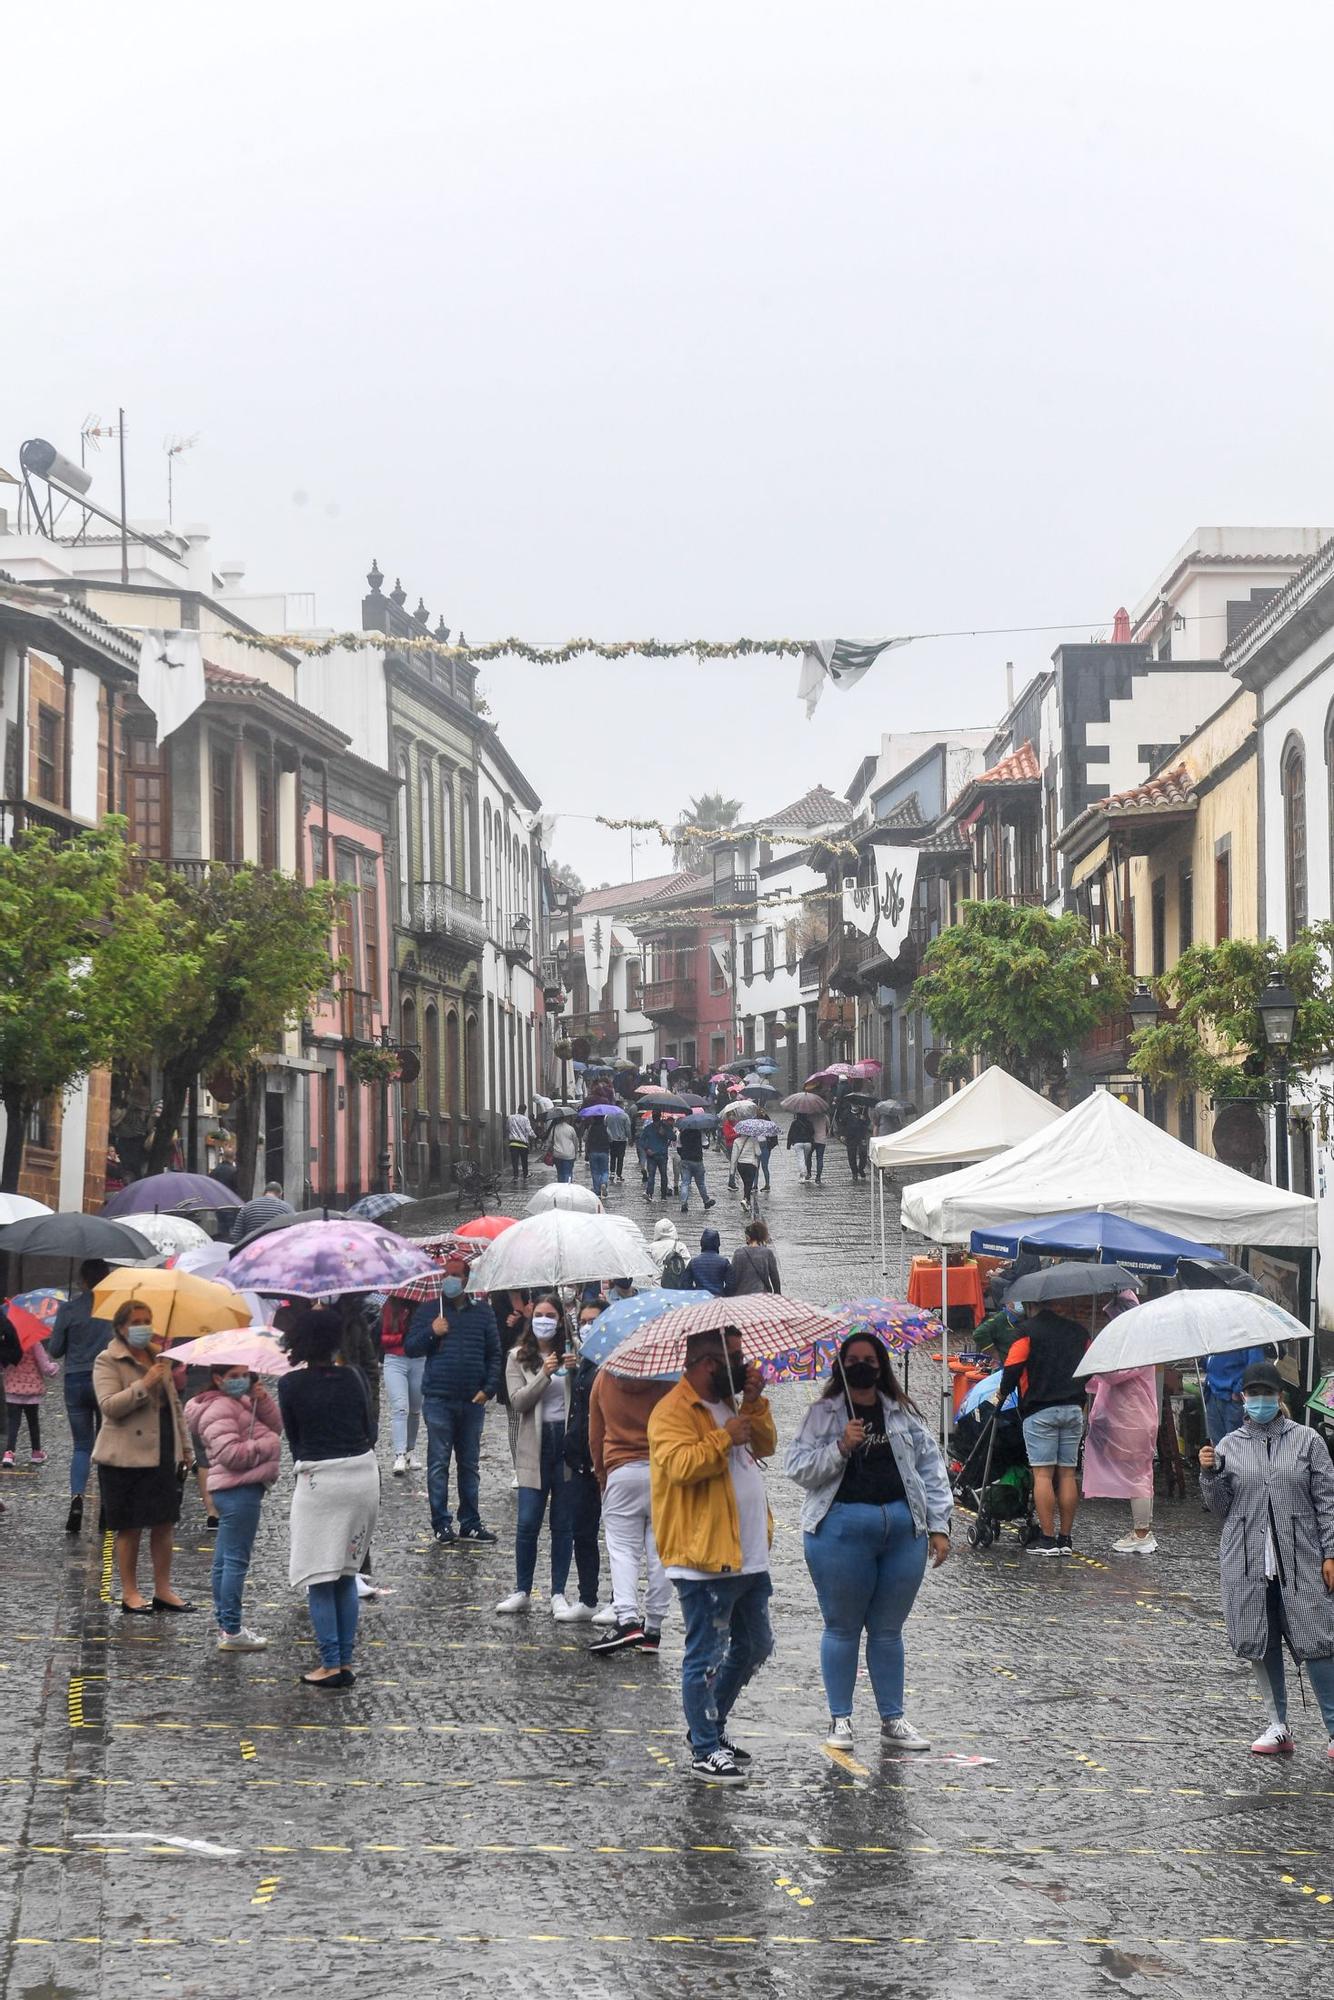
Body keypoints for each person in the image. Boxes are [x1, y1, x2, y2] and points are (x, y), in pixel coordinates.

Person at [786, 1332, 951, 1750]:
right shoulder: (823, 1413)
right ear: (841, 1365)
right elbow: (798, 1468)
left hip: (902, 1532)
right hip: (839, 1531)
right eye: (854, 1359)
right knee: (842, 1628)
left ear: (882, 1365)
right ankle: (840, 1719)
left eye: (870, 1359)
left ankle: (892, 1719)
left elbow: (931, 1467)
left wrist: (939, 1525)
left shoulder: (902, 1411)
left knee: (888, 1631)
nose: (863, 1366)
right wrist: (840, 1447)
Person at [649, 1325, 778, 1784]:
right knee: (704, 1654)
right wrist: (724, 1436)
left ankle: (709, 1726)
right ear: (708, 1365)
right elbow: (680, 1466)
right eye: (737, 1358)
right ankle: (704, 1749)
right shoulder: (672, 1411)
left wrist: (754, 1403)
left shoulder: (728, 1403)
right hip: (704, 1558)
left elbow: (765, 1445)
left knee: (756, 1645)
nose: (745, 1365)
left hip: (747, 1553)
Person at [1200, 1360, 1334, 1757]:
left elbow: (1327, 1501)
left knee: (1319, 1639)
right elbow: (1219, 1508)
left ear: (1280, 1396)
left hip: (1302, 1557)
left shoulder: (1308, 1441)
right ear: (1243, 1397)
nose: (1260, 1400)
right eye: (1253, 1393)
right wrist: (1210, 1474)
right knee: (1260, 1639)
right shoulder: (1227, 1445)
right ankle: (1277, 1725)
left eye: (1267, 1393)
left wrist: (1331, 1552)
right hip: (1247, 1560)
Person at [278, 1307, 380, 1688]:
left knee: (319, 1575)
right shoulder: (353, 1377)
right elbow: (369, 1429)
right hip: (362, 1477)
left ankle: (330, 1663)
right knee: (346, 1573)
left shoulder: (290, 1385)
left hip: (321, 1481)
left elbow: (296, 1440)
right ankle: (346, 1661)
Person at [92, 1301, 195, 1616]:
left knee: (164, 1523)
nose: (143, 1326)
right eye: (137, 1321)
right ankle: (130, 1592)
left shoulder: (158, 1356)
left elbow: (175, 1406)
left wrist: (186, 1447)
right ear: (122, 1327)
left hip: (161, 1450)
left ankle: (163, 1590)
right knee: (130, 1526)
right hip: (124, 1457)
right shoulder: (107, 1360)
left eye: (148, 1320)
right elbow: (109, 1406)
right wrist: (145, 1383)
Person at [404, 1253, 501, 1545]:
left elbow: (494, 1353)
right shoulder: (430, 1311)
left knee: (469, 1464)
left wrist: (489, 1389)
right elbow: (411, 1348)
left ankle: (470, 1522)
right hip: (438, 1399)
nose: (451, 1279)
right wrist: (432, 1332)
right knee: (438, 1463)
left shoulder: (483, 1313)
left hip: (473, 1400)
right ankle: (441, 1522)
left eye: (456, 1274)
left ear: (467, 1279)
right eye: (446, 1274)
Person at [185, 1361, 283, 1650]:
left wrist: (261, 1399)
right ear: (218, 1378)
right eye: (234, 1376)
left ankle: (226, 1624)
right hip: (238, 1489)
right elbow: (231, 1454)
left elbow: (276, 1424)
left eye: (245, 1375)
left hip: (234, 1488)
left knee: (223, 1561)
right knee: (235, 1562)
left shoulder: (237, 1401)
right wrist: (269, 1445)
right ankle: (231, 1628)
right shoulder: (220, 1408)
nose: (242, 1380)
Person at [497, 1295, 581, 1618]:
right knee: (528, 1521)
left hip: (565, 1444)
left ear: (560, 1320)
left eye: (550, 1315)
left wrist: (576, 1371)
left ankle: (558, 1591)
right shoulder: (517, 1357)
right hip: (534, 1444)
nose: (543, 1320)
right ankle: (522, 1590)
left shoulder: (571, 1355)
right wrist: (545, 1374)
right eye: (539, 1315)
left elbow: (583, 1398)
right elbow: (518, 1402)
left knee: (562, 1523)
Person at [589, 1340, 675, 1655]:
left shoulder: (603, 1378)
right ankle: (653, 1627)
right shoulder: (668, 1378)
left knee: (623, 1549)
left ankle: (626, 1619)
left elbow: (595, 1433)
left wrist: (602, 1474)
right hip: (663, 1471)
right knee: (660, 1551)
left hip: (621, 1471)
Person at [996, 1295, 1090, 1556]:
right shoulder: (1079, 1331)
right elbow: (1091, 1364)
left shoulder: (1027, 1332)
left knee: (1043, 1475)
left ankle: (1047, 1539)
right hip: (1073, 1409)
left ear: (1031, 1304)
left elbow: (1012, 1367)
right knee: (1068, 1474)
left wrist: (1003, 1393)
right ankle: (1066, 1538)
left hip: (1040, 1410)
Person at [49, 1259, 113, 1534]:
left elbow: (54, 1350)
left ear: (82, 1280)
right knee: (106, 1446)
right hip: (106, 1380)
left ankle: (77, 1501)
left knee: (81, 1447)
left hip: (75, 1380)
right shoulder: (113, 1309)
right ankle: (106, 1509)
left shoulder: (69, 1309)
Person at [560, 1300, 608, 1621]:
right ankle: (587, 1596)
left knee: (618, 1537)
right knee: (583, 1531)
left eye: (594, 1320)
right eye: (584, 1320)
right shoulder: (585, 1359)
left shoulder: (614, 1360)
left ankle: (622, 1599)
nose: (587, 1325)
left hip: (607, 1461)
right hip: (579, 1459)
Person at [1083, 1364, 1160, 1555]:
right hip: (1127, 1418)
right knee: (1141, 1475)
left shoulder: (1139, 1351)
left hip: (1132, 1419)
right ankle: (1142, 1531)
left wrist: (1091, 1365)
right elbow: (1099, 1382)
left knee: (1138, 1477)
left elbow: (1113, 1376)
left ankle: (1142, 1534)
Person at [379, 1297, 424, 1477]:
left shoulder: (424, 1307)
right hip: (394, 1360)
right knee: (400, 1408)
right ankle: (399, 1453)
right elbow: (382, 1337)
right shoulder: (390, 1306)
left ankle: (410, 1450)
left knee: (415, 1409)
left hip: (419, 1360)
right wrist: (403, 1336)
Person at [2, 1334, 58, 1467]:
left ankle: (9, 1453)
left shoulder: (8, 1342)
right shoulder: (34, 1342)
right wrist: (54, 1368)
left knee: (13, 1423)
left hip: (12, 1390)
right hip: (31, 1391)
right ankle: (36, 1452)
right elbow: (45, 1366)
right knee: (33, 1423)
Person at [1202, 1343, 1270, 1448]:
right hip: (1212, 1395)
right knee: (1218, 1448)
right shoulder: (1215, 1332)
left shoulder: (1248, 1332)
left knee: (1237, 1448)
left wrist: (1239, 1390)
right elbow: (1209, 1364)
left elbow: (1256, 1367)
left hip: (1233, 1400)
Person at [726, 1220, 781, 1297]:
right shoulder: (768, 1253)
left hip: (742, 1298)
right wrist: (777, 1298)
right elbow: (775, 1279)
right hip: (762, 1296)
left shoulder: (738, 1253)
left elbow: (733, 1280)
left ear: (748, 1237)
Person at [677, 1117, 715, 1214]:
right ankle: (706, 1201)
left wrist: (684, 1155)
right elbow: (706, 1145)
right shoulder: (699, 1133)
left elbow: (679, 1148)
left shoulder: (681, 1134)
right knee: (701, 1183)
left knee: (685, 1183)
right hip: (697, 1161)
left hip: (685, 1160)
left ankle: (684, 1203)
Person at [687, 1227, 731, 1296]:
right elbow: (731, 1285)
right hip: (718, 1299)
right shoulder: (724, 1262)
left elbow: (685, 1284)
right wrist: (723, 1294)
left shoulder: (693, 1262)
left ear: (702, 1243)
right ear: (718, 1243)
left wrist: (695, 1293)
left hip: (699, 1300)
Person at [649, 1216, 689, 1286]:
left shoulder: (651, 1247)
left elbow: (649, 1273)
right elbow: (687, 1267)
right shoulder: (680, 1246)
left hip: (656, 1289)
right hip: (676, 1289)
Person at [642, 1111, 673, 1200]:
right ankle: (662, 1196)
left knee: (653, 1175)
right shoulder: (650, 1128)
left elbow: (641, 1141)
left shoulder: (650, 1128)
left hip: (657, 1155)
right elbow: (673, 1137)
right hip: (659, 1155)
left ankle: (651, 1194)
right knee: (663, 1175)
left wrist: (646, 1149)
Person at [730, 1127, 761, 1212]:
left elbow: (734, 1156)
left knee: (746, 1183)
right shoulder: (754, 1140)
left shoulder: (736, 1141)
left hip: (741, 1165)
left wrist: (732, 1170)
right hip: (751, 1164)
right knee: (749, 1183)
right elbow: (758, 1153)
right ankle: (745, 1199)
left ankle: (746, 1201)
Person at [585, 1115, 612, 1201]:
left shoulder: (590, 1128)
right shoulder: (605, 1128)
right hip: (604, 1151)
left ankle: (597, 1190)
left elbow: (585, 1138)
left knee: (595, 1172)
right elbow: (611, 1139)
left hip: (593, 1152)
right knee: (604, 1170)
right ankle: (603, 1183)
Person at [506, 1108, 536, 1182]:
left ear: (518, 1109)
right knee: (524, 1160)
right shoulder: (525, 1119)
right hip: (523, 1144)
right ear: (524, 1110)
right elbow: (529, 1130)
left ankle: (515, 1175)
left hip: (513, 1142)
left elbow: (507, 1128)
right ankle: (525, 1174)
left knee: (514, 1161)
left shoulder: (510, 1117)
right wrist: (535, 1136)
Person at [549, 1111, 578, 1184]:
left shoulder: (554, 1128)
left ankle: (561, 1187)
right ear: (566, 1118)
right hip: (569, 1155)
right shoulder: (570, 1128)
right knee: (568, 1173)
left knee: (560, 1173)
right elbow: (575, 1142)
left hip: (557, 1155)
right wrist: (576, 1153)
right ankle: (567, 1188)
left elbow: (549, 1141)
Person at [844, 1104, 871, 1182]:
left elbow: (867, 1124)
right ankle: (854, 1172)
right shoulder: (846, 1113)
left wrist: (864, 1120)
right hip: (850, 1138)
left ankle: (861, 1169)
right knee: (851, 1155)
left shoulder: (863, 1112)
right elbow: (843, 1124)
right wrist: (842, 1134)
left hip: (861, 1137)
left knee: (863, 1154)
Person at [786, 1111, 815, 1182]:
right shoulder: (809, 1122)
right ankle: (806, 1173)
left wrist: (788, 1144)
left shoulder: (794, 1123)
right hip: (808, 1143)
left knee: (800, 1159)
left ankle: (802, 1175)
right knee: (805, 1159)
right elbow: (812, 1132)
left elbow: (790, 1134)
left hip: (797, 1143)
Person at [809, 1108, 829, 1185]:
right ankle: (818, 1177)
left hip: (812, 1140)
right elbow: (828, 1128)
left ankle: (809, 1172)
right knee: (820, 1158)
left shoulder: (810, 1117)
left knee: (808, 1156)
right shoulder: (825, 1117)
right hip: (822, 1140)